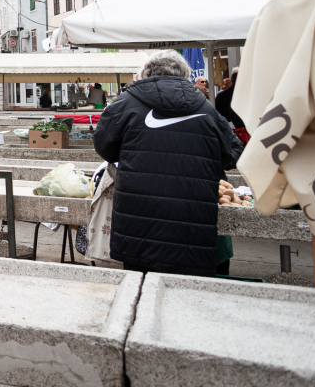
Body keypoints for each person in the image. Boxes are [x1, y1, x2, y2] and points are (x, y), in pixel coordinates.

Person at [93, 50, 243, 277]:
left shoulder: (125, 103)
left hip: (138, 222)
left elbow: (104, 147)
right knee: (188, 295)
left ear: (145, 74)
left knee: (139, 292)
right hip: (191, 224)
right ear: (185, 75)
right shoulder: (205, 108)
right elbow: (233, 154)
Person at [214, 67, 247, 141]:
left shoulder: (222, 95)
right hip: (246, 132)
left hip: (227, 131)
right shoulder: (248, 94)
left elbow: (217, 114)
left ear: (232, 80)